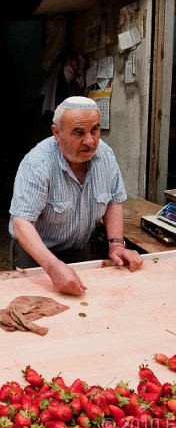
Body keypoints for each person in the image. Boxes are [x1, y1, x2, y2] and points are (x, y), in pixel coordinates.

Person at [9, 96, 143, 296]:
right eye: (79, 132)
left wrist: (116, 244)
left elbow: (113, 201)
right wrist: (53, 266)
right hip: (36, 253)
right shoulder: (37, 163)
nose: (89, 141)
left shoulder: (105, 156)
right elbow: (22, 222)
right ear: (57, 132)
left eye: (95, 130)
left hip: (79, 248)